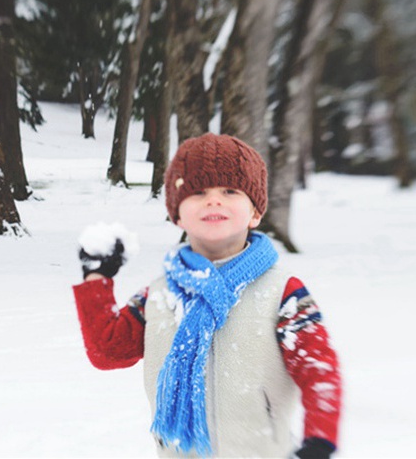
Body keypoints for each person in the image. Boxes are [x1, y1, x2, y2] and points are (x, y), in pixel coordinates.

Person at [73, 133, 342, 458]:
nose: (213, 200)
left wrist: (319, 442)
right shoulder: (158, 295)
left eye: (230, 191)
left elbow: (319, 370)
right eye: (198, 192)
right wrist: (96, 278)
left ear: (255, 212)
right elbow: (107, 351)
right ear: (177, 214)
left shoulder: (281, 292)